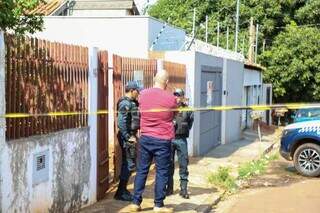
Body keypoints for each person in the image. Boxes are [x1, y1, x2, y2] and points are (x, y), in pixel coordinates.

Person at [127, 70, 177, 213]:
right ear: (166, 82)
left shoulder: (143, 95)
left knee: (142, 170)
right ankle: (158, 205)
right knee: (161, 172)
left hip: (146, 138)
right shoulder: (171, 98)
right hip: (163, 139)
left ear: (154, 79)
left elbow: (141, 110)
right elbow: (175, 113)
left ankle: (135, 203)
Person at [114, 81, 141, 201]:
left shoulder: (132, 103)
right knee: (129, 164)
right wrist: (127, 136)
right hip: (127, 137)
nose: (138, 93)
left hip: (130, 135)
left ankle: (123, 190)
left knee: (128, 163)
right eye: (137, 91)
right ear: (132, 90)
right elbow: (121, 122)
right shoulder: (125, 103)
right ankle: (120, 192)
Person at [166, 88, 194, 199]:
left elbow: (190, 123)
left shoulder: (187, 109)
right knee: (169, 164)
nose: (177, 97)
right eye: (175, 95)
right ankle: (169, 188)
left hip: (181, 140)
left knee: (183, 164)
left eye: (179, 95)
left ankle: (183, 189)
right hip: (170, 139)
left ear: (182, 97)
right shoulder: (169, 108)